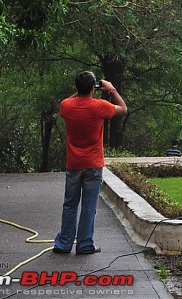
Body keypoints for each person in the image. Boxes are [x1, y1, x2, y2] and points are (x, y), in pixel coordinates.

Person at [54, 71, 127, 255]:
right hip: (93, 164)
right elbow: (123, 108)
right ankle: (85, 244)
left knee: (70, 204)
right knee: (89, 205)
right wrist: (111, 90)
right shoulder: (100, 106)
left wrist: (80, 91)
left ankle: (64, 244)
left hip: (73, 164)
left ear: (77, 87)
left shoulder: (67, 106)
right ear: (93, 88)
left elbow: (67, 103)